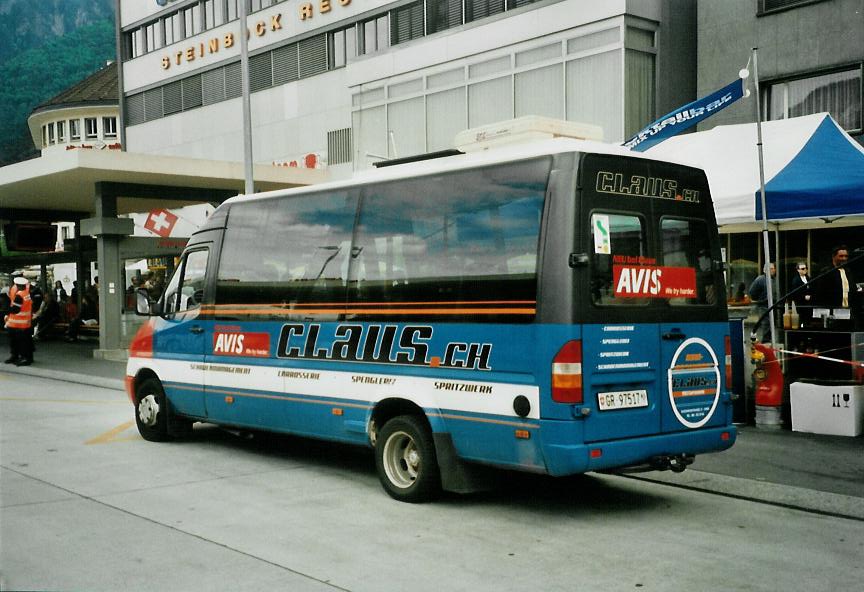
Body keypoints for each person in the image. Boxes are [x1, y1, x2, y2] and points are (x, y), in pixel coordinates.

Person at [815, 245, 862, 324]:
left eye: (846, 256)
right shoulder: (826, 272)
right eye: (841, 256)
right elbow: (820, 294)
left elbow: (853, 291)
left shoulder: (848, 272)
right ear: (833, 257)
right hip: (833, 313)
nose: (844, 258)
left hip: (848, 312)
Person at [4, 277, 34, 366]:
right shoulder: (26, 294)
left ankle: (20, 357)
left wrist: (6, 310)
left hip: (17, 324)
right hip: (23, 323)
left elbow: (15, 310)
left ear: (18, 285)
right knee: (24, 342)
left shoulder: (19, 296)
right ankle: (24, 357)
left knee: (18, 342)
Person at [748, 262, 777, 341]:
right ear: (765, 270)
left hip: (773, 305)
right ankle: (765, 340)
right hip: (763, 305)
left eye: (773, 268)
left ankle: (769, 340)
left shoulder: (774, 279)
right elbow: (752, 292)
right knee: (766, 323)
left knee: (770, 323)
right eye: (770, 269)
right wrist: (760, 300)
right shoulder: (760, 279)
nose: (773, 270)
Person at [787, 261, 812, 326]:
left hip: (808, 304)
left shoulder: (808, 278)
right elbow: (795, 293)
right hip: (800, 304)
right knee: (801, 320)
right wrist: (804, 297)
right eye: (803, 268)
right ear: (798, 270)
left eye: (806, 268)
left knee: (808, 320)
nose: (805, 270)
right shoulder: (796, 280)